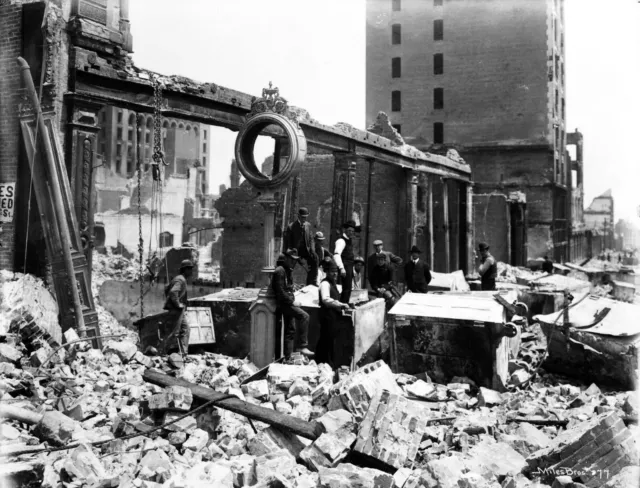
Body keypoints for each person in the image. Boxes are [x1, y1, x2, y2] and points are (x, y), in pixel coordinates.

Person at [271, 248, 313, 357]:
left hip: (288, 303)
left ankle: (288, 356)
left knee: (290, 330)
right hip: (284, 304)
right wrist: (292, 302)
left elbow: (288, 289)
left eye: (295, 260)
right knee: (305, 316)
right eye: (292, 260)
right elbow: (280, 292)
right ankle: (302, 345)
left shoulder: (287, 270)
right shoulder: (280, 271)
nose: (294, 262)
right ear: (286, 259)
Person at [315, 260, 350, 367]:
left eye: (336, 271)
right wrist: (340, 304)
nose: (335, 274)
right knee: (327, 341)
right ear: (326, 272)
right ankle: (323, 364)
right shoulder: (325, 283)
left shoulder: (333, 283)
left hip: (333, 317)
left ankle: (328, 365)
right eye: (332, 271)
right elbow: (325, 299)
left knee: (331, 342)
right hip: (327, 316)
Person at [163, 259, 194, 357]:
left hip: (178, 310)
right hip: (176, 310)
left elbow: (167, 289)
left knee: (186, 329)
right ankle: (164, 352)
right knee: (174, 332)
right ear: (185, 270)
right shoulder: (180, 279)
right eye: (189, 269)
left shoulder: (180, 278)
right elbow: (173, 292)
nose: (191, 271)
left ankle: (183, 353)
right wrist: (177, 304)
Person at [284, 207, 317, 286]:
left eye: (305, 217)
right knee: (289, 267)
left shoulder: (308, 225)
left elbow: (311, 238)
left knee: (315, 259)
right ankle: (289, 284)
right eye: (302, 217)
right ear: (298, 216)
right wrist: (290, 250)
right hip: (295, 251)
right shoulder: (291, 226)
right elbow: (288, 241)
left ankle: (312, 282)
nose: (304, 219)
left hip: (306, 250)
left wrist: (312, 249)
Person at [334, 220, 358, 304]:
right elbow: (336, 255)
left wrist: (353, 270)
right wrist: (341, 268)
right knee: (346, 288)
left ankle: (345, 305)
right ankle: (342, 306)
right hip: (344, 267)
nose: (351, 232)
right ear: (345, 230)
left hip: (349, 267)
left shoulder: (349, 241)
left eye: (352, 231)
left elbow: (351, 257)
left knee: (348, 288)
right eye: (349, 231)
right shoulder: (341, 241)